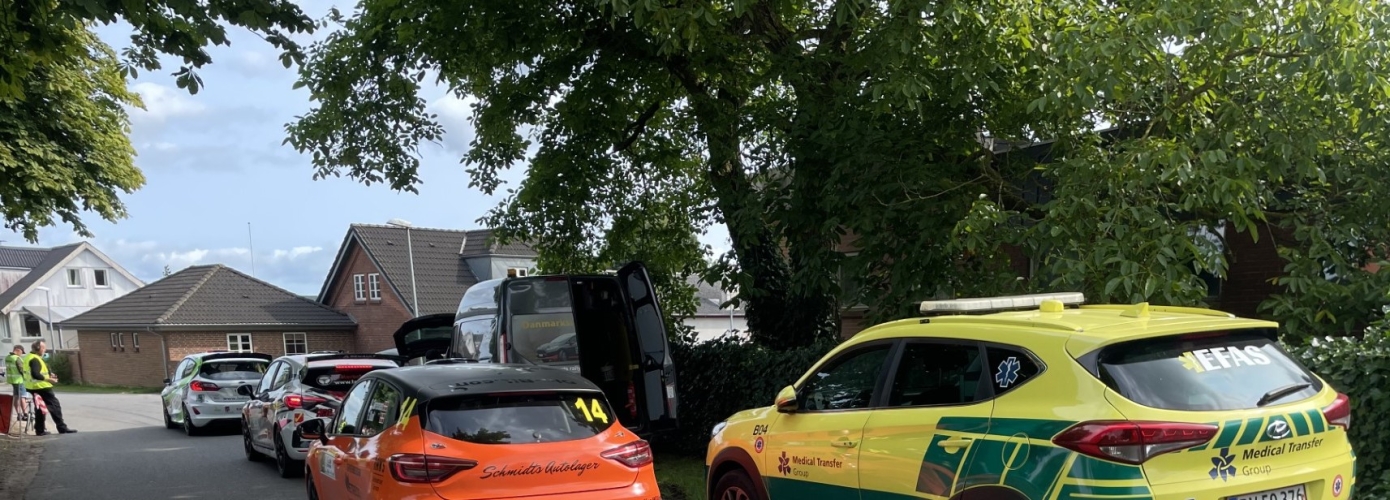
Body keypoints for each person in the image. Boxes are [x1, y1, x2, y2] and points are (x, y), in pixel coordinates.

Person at [24, 341, 75, 435]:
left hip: (32, 387)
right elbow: (35, 374)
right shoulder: (35, 359)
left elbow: (34, 372)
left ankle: (40, 430)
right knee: (55, 406)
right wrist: (49, 379)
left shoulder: (29, 357)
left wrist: (49, 374)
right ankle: (62, 428)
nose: (45, 350)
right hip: (41, 387)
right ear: (38, 348)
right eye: (43, 348)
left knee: (40, 408)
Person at [5, 345, 30, 421]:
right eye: (21, 352)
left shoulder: (7, 358)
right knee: (22, 397)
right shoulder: (17, 358)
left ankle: (19, 414)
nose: (21, 354)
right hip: (19, 380)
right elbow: (22, 370)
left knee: (16, 396)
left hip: (12, 380)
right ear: (18, 350)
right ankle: (25, 414)